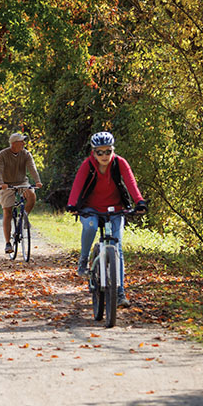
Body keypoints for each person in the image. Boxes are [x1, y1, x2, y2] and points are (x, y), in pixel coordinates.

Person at [67, 131, 146, 306]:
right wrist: (72, 204)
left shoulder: (120, 163)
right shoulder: (87, 165)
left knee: (117, 247)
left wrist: (139, 201)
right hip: (91, 208)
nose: (104, 155)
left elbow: (131, 183)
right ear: (93, 152)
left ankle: (119, 293)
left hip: (116, 209)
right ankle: (83, 261)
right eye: (100, 152)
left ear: (113, 150)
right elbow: (78, 184)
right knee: (90, 227)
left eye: (108, 151)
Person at [0, 132, 42, 254]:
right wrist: (1, 183)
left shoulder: (25, 154)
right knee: (7, 211)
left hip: (22, 182)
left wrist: (37, 181)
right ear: (14, 143)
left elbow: (32, 167)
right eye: (21, 142)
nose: (24, 144)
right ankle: (8, 243)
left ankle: (23, 217)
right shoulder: (3, 154)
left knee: (31, 196)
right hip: (7, 184)